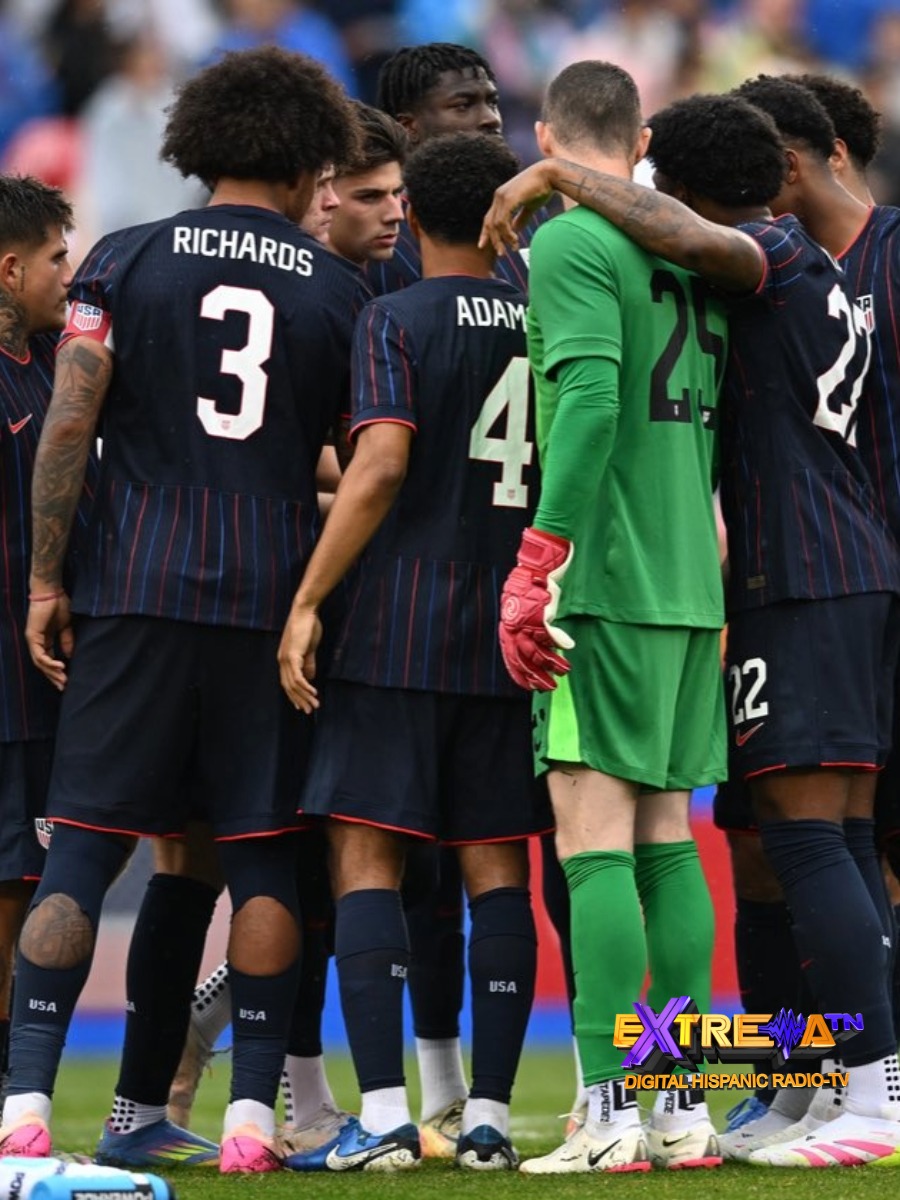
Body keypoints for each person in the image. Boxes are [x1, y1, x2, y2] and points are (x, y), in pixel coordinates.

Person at [482, 86, 900, 1169]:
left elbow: (590, 401)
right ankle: (723, 1095)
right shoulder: (755, 275)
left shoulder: (746, 255)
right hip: (738, 585)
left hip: (726, 576)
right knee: (742, 846)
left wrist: (543, 556)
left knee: (686, 845)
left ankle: (645, 1107)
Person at [8, 46, 360, 1174]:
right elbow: (360, 458)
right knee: (260, 859)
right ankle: (255, 1118)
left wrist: (47, 579)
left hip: (137, 587)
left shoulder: (122, 260)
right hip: (268, 597)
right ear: (311, 159)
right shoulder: (336, 288)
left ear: (197, 143)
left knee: (86, 854)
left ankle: (20, 1104)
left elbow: (70, 422)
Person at [277, 130, 550, 1173]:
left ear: (420, 220)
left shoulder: (393, 315)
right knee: (496, 873)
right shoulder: (542, 317)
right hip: (509, 628)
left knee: (366, 863)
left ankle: (387, 1116)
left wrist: (309, 600)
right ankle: (487, 1118)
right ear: (507, 219)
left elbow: (380, 463)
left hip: (396, 621)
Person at [482, 61, 727, 1175]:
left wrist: (541, 559)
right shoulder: (691, 248)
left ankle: (610, 1115)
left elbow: (583, 400)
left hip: (607, 579)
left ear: (546, 137)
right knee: (669, 839)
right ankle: (677, 1108)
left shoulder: (576, 245)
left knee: (592, 847)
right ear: (638, 141)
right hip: (690, 581)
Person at [708, 72, 900, 1161]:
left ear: (792, 158)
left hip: (834, 582)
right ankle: (795, 1083)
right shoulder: (787, 268)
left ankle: (872, 1096)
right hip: (813, 579)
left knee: (837, 840)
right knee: (765, 844)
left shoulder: (819, 256)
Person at [0, 174, 94, 1101]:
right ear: (11, 266)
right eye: (60, 256)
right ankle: (656, 1090)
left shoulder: (49, 361)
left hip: (40, 677)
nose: (72, 271)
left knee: (25, 883)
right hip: (10, 682)